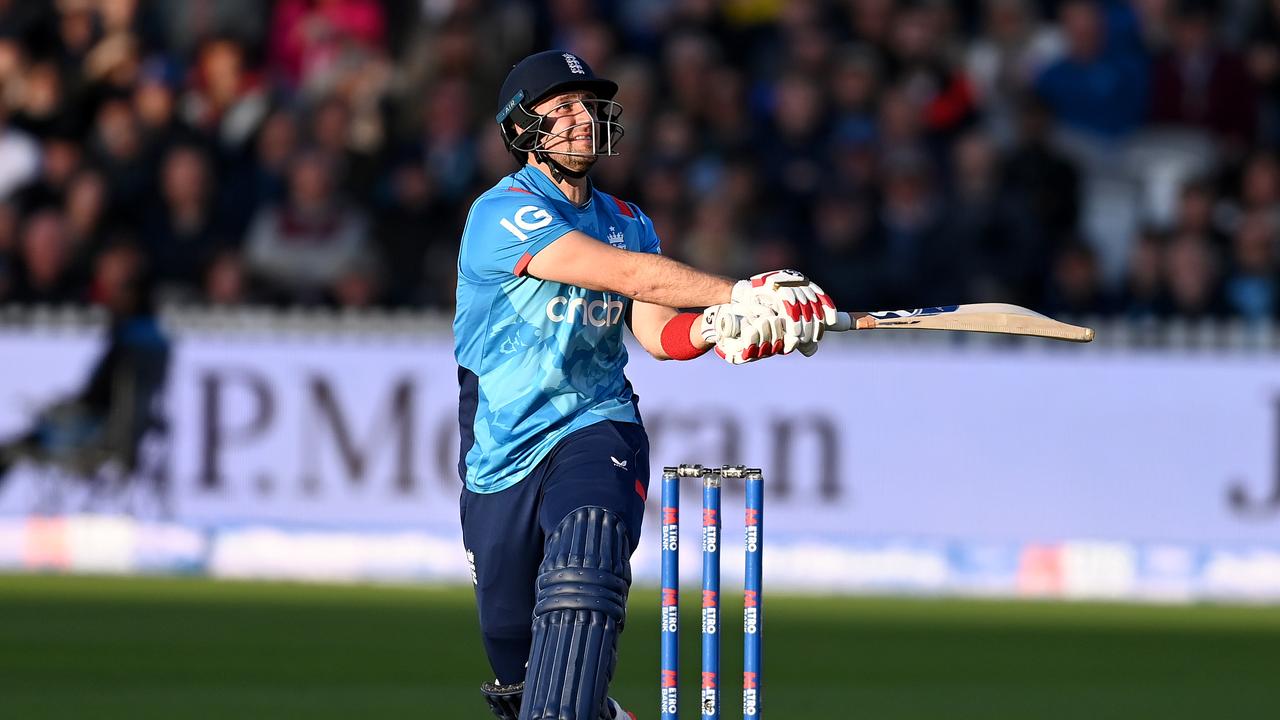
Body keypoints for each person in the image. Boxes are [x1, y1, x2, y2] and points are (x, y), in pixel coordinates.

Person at [453, 50, 837, 720]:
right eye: (561, 107)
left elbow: (660, 333)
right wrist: (745, 292)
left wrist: (723, 326)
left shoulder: (627, 220)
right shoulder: (503, 214)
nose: (580, 119)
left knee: (587, 554)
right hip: (500, 454)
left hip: (595, 425)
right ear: (521, 127)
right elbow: (630, 277)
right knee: (517, 670)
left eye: (587, 106)